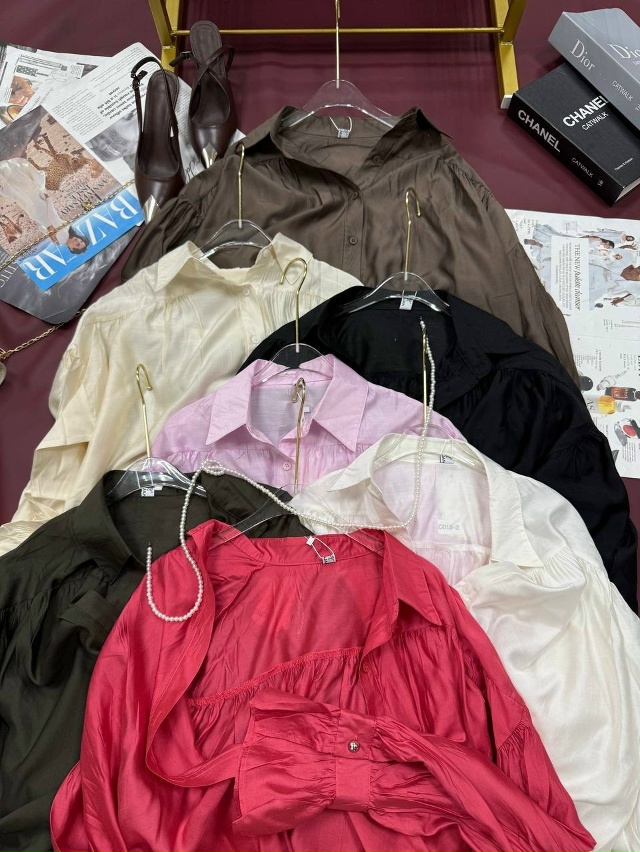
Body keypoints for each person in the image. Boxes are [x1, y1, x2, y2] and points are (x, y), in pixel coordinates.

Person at [0, 158, 89, 253]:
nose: (78, 240)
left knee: (26, 186)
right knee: (21, 194)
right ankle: (4, 175)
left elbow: (54, 218)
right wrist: (44, 223)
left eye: (78, 244)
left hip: (42, 209)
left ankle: (5, 169)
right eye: (81, 240)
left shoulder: (64, 237)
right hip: (37, 215)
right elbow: (43, 228)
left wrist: (49, 201)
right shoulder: (58, 242)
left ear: (71, 248)